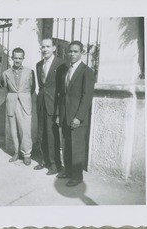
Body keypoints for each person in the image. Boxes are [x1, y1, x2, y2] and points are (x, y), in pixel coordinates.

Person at [55, 40, 95, 187]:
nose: (72, 54)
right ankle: (68, 171)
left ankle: (77, 176)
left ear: (81, 53)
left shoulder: (87, 71)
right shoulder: (66, 70)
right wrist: (59, 114)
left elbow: (87, 97)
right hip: (65, 115)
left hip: (78, 117)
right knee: (66, 145)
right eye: (70, 51)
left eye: (75, 51)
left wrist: (78, 117)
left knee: (77, 147)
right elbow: (62, 95)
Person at [34, 38, 63, 175]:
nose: (45, 49)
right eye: (43, 47)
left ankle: (55, 165)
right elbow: (41, 86)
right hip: (41, 104)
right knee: (41, 134)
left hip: (53, 105)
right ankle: (43, 161)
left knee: (52, 136)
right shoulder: (39, 64)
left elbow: (63, 90)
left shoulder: (61, 63)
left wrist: (58, 110)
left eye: (48, 46)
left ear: (54, 48)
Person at [2, 47, 35, 166]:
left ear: (23, 58)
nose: (17, 60)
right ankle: (16, 152)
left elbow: (32, 88)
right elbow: (6, 89)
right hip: (11, 103)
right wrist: (13, 97)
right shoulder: (6, 73)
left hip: (24, 104)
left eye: (20, 58)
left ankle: (26, 154)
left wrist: (23, 97)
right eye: (15, 58)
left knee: (25, 130)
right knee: (13, 129)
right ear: (12, 58)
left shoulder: (30, 72)